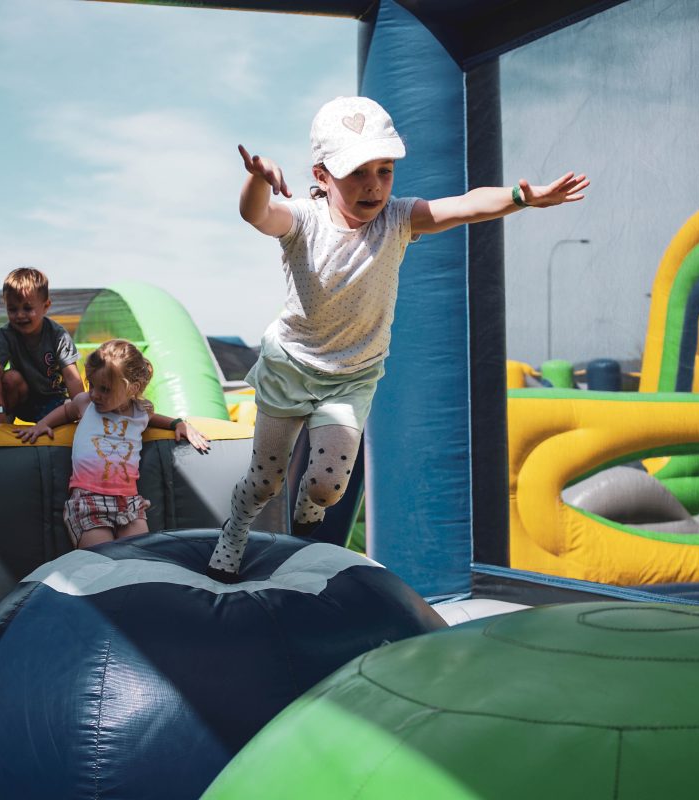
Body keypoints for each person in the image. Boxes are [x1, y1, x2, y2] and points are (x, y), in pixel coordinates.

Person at [208, 96, 588, 581]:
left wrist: (521, 197)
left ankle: (310, 498)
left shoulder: (399, 220)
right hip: (292, 366)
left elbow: (466, 205)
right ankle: (237, 525)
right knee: (265, 480)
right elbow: (256, 215)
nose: (374, 185)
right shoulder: (303, 220)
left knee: (328, 487)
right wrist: (259, 178)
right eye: (358, 173)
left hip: (352, 375)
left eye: (384, 170)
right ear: (322, 176)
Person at [15, 339, 211, 549]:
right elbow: (65, 411)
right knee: (102, 558)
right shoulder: (86, 404)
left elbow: (155, 418)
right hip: (89, 500)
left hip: (128, 502)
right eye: (91, 384)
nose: (94, 394)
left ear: (131, 388)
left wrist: (178, 424)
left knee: (139, 555)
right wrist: (41, 425)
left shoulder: (140, 412)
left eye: (105, 389)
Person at [0, 267, 85, 425]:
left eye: (27, 308)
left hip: (54, 402)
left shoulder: (57, 335)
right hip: (22, 402)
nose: (20, 315)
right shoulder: (6, 334)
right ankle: (6, 417)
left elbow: (72, 377)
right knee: (10, 378)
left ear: (45, 306)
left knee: (71, 408)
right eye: (12, 309)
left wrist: (82, 412)